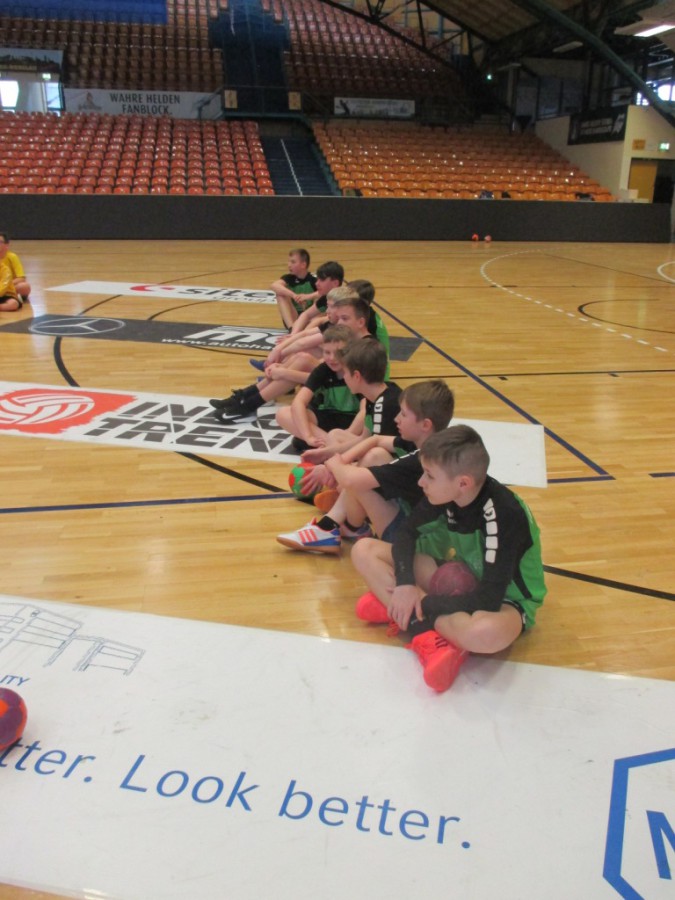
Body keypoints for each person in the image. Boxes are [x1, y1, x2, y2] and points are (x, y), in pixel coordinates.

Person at [350, 425, 546, 693]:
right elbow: (406, 533)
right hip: (458, 579)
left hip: (506, 601)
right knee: (364, 550)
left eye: (430, 475)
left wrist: (423, 603)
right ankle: (424, 628)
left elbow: (488, 598)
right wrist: (405, 583)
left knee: (482, 634)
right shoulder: (446, 494)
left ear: (463, 483)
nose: (421, 482)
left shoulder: (505, 515)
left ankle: (408, 617)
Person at [276, 380, 454, 555]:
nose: (396, 419)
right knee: (374, 456)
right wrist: (337, 458)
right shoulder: (426, 444)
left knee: (357, 479)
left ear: (425, 425)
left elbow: (350, 480)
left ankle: (332, 527)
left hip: (415, 544)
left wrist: (333, 464)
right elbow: (375, 439)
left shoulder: (420, 460)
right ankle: (348, 526)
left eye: (403, 415)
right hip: (416, 524)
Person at [274, 324, 360, 450]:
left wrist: (348, 434)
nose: (332, 358)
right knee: (283, 414)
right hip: (326, 421)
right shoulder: (322, 370)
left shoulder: (358, 371)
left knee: (300, 440)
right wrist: (308, 435)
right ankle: (334, 446)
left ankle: (331, 446)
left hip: (353, 424)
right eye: (327, 352)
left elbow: (365, 410)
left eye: (339, 353)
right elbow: (299, 402)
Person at [270, 248, 318, 330]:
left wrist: (308, 296)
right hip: (294, 317)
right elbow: (274, 285)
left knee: (321, 295)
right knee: (280, 294)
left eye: (293, 262)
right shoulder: (289, 278)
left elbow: (328, 291)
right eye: (289, 262)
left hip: (309, 317)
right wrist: (294, 296)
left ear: (303, 265)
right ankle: (291, 329)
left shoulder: (313, 279)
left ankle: (311, 326)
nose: (289, 265)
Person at [0, 232, 30, 311]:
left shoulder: (11, 258)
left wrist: (7, 284)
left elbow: (21, 278)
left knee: (24, 287)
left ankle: (20, 298)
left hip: (8, 289)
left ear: (7, 245)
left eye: (0, 242)